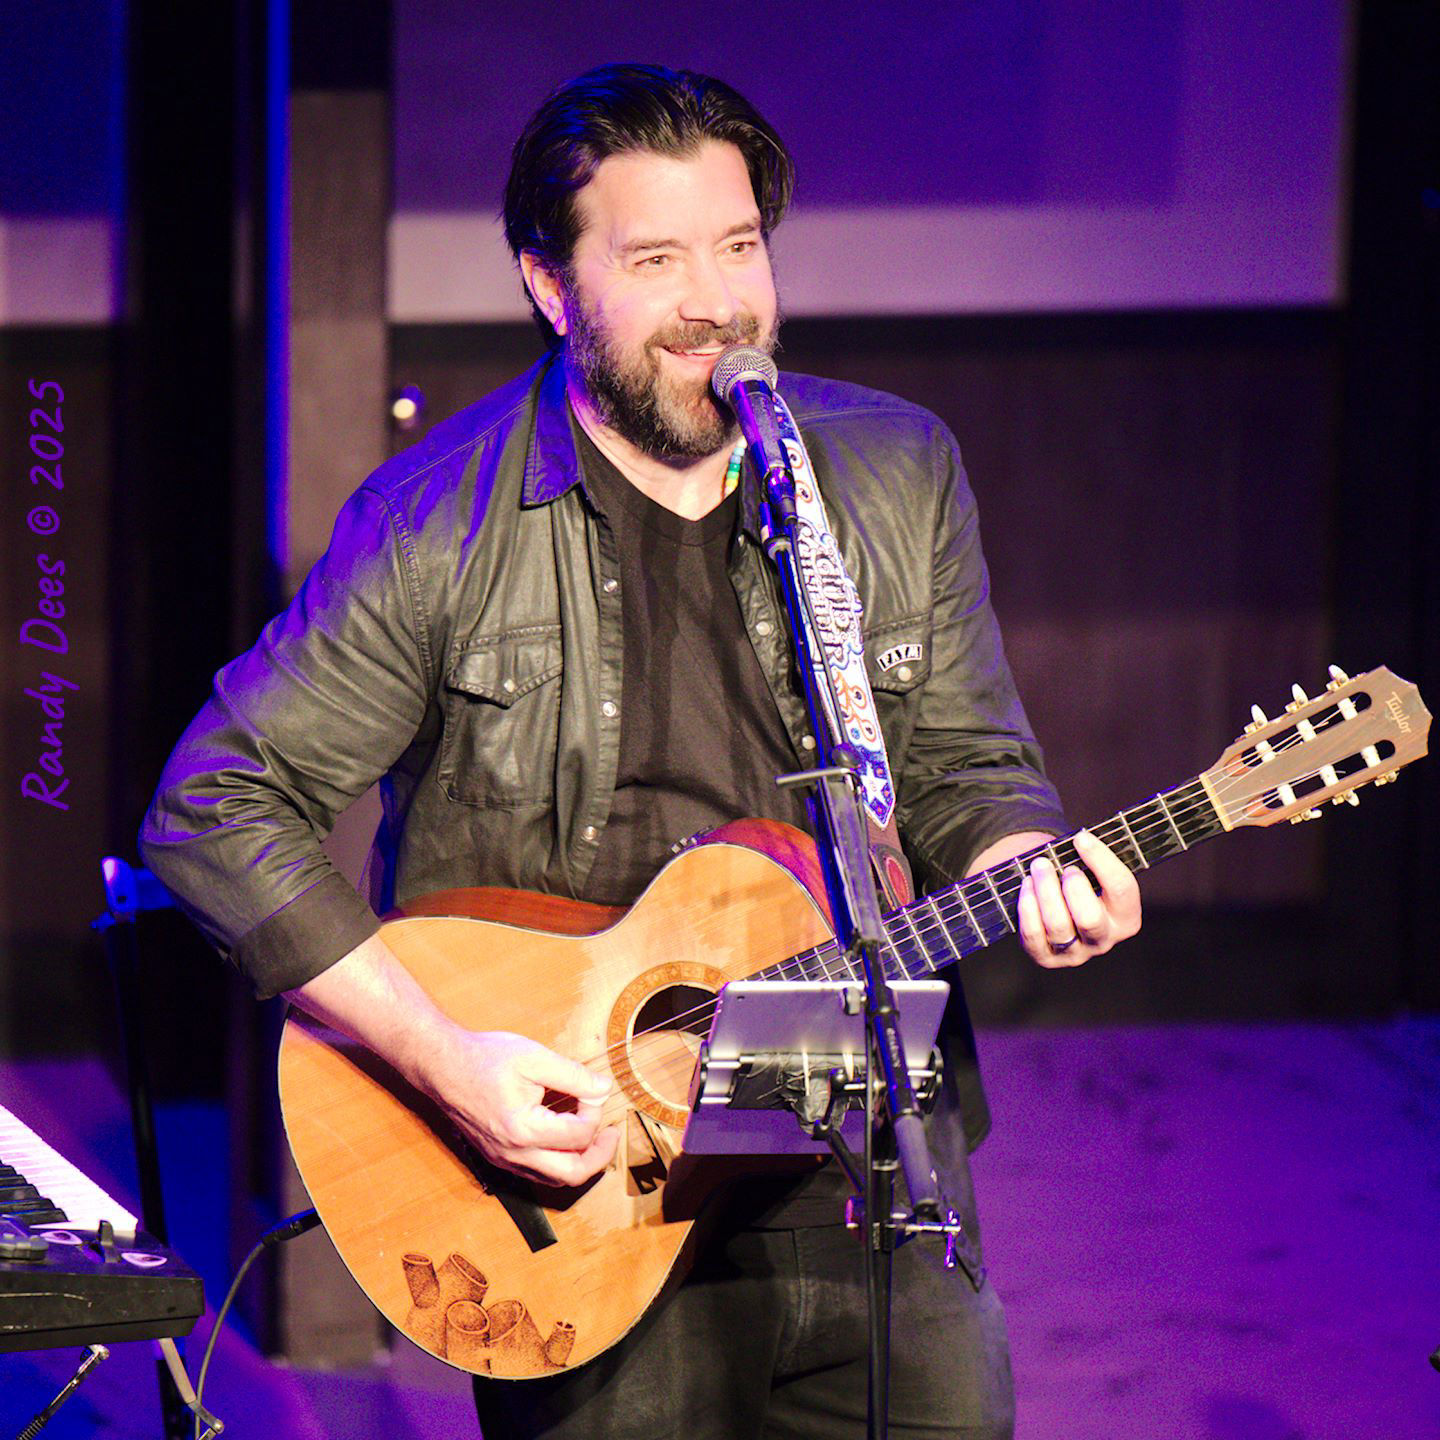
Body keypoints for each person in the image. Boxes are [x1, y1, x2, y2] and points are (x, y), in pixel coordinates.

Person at [140, 63, 1141, 1439]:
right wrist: (445, 1062)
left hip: (863, 1149)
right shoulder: (436, 524)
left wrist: (1031, 861)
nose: (716, 303)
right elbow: (214, 803)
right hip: (580, 1174)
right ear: (553, 289)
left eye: (740, 249)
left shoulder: (895, 472)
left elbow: (967, 763)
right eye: (657, 259)